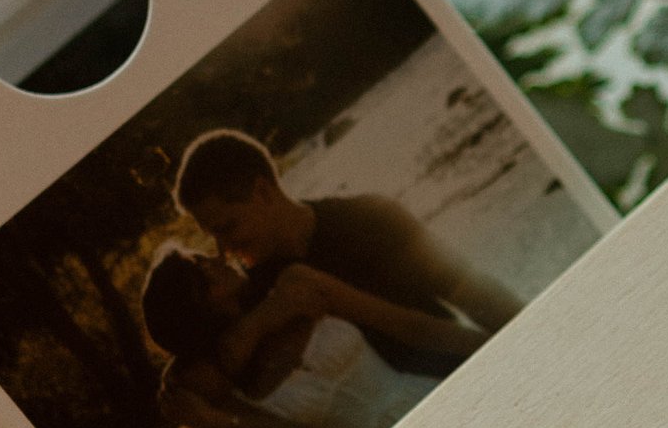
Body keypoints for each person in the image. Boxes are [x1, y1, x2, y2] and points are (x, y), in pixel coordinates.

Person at [170, 128, 524, 373]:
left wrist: (530, 341)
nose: (224, 249)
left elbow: (469, 291)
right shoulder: (256, 296)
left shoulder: (370, 216)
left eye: (228, 227)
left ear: (262, 192)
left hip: (465, 368)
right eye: (212, 237)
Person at [138, 238, 483, 428]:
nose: (217, 260)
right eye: (202, 270)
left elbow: (412, 326)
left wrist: (492, 345)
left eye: (203, 257)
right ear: (198, 310)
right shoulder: (215, 380)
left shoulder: (294, 286)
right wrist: (215, 423)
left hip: (434, 404)